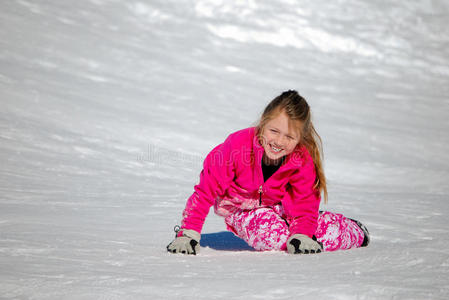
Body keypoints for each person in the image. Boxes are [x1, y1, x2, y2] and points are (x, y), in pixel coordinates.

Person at [167, 90, 369, 255]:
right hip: (240, 210)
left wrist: (302, 234)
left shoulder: (300, 158)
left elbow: (305, 201)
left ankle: (354, 230)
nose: (279, 142)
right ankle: (306, 227)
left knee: (309, 236)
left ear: (300, 138)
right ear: (263, 123)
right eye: (274, 131)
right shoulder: (237, 147)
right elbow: (205, 191)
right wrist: (188, 233)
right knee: (272, 236)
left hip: (279, 207)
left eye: (289, 136)